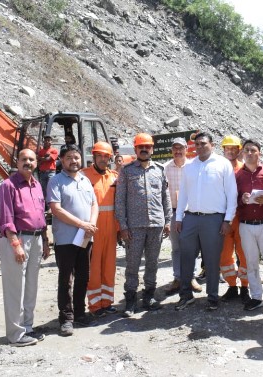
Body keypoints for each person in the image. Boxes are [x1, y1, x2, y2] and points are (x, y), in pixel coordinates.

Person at [174, 132, 238, 311]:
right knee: (186, 257)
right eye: (197, 144)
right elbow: (183, 194)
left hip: (214, 219)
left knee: (211, 260)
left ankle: (212, 297)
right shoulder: (189, 167)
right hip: (191, 218)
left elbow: (232, 194)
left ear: (212, 144)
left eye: (203, 143)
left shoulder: (223, 164)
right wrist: (179, 218)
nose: (200, 147)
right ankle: (185, 295)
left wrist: (227, 220)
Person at [0, 149, 50, 347]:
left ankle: (27, 327)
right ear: (17, 162)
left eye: (31, 159)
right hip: (18, 239)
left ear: (36, 162)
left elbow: (41, 216)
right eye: (24, 159)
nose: (27, 162)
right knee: (15, 287)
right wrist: (16, 245)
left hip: (36, 239)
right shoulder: (8, 186)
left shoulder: (36, 185)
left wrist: (45, 240)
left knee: (31, 286)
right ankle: (15, 334)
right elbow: (6, 219)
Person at [115, 133, 171, 317]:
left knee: (152, 263)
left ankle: (149, 296)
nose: (144, 149)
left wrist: (168, 220)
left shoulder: (160, 170)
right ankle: (130, 300)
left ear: (152, 149)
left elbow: (166, 197)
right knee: (132, 264)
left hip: (156, 225)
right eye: (141, 147)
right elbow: (120, 200)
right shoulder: (127, 171)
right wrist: (123, 226)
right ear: (135, 149)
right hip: (134, 227)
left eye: (147, 146)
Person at [47, 144, 98, 336]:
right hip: (66, 239)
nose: (73, 161)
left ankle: (80, 313)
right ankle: (66, 318)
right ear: (61, 159)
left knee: (83, 276)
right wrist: (82, 224)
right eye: (69, 157)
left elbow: (94, 204)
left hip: (85, 237)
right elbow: (56, 210)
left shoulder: (85, 180)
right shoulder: (56, 181)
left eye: (76, 157)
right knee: (66, 279)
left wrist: (90, 225)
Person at [235, 140, 263, 316]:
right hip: (246, 225)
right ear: (242, 154)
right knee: (251, 263)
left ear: (259, 153)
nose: (250, 153)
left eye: (253, 150)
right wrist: (242, 200)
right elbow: (233, 199)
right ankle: (256, 297)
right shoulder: (238, 176)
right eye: (246, 150)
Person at [82, 142, 119, 317]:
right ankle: (95, 305)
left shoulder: (114, 177)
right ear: (94, 157)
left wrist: (120, 229)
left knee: (109, 266)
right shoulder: (84, 176)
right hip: (93, 229)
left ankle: (107, 301)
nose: (103, 159)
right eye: (100, 156)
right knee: (94, 268)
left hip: (111, 229)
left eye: (106, 156)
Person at [164, 138, 202, 295]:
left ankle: (191, 277)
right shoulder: (165, 168)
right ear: (171, 150)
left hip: (191, 213)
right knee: (176, 247)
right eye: (175, 148)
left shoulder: (194, 166)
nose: (178, 151)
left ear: (187, 149)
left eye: (181, 148)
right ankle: (178, 277)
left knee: (192, 247)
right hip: (173, 212)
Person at [219, 135, 250, 304]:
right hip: (223, 219)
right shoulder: (218, 168)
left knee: (244, 254)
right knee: (224, 256)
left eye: (233, 148)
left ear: (239, 150)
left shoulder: (245, 169)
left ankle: (245, 287)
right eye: (227, 148)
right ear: (223, 150)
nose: (230, 151)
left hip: (241, 218)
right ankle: (232, 286)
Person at [37, 135, 58, 205]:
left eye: (49, 140)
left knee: (51, 188)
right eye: (46, 140)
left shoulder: (54, 151)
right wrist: (44, 157)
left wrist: (42, 159)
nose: (47, 142)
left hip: (51, 172)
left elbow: (48, 159)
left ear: (51, 142)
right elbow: (38, 159)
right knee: (44, 190)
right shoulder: (41, 151)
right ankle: (46, 206)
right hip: (42, 173)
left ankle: (51, 207)